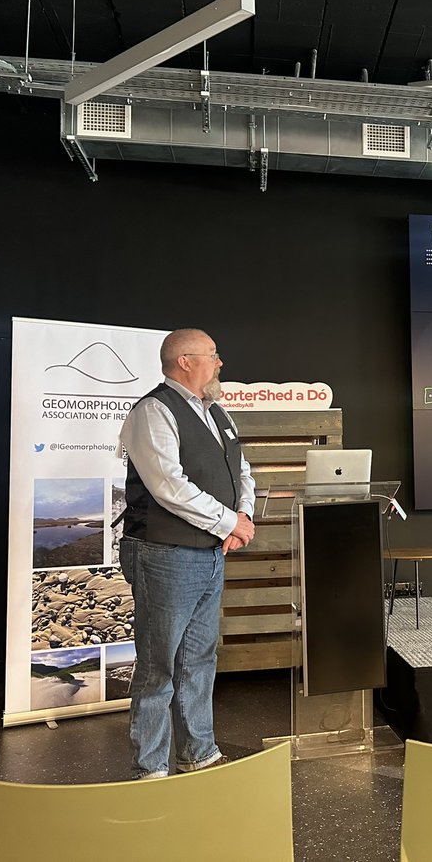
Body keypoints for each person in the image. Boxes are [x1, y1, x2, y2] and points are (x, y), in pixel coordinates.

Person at [118, 329, 256, 779]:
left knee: (199, 659)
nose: (220, 363)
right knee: (160, 664)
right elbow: (168, 486)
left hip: (209, 553)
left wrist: (242, 515)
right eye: (212, 355)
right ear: (184, 362)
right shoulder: (153, 411)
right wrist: (227, 522)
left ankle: (199, 754)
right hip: (164, 554)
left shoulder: (216, 411)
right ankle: (151, 767)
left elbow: (243, 470)